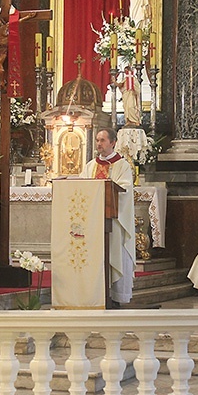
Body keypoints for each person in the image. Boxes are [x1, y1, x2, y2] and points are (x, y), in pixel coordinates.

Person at [80, 127, 135, 306]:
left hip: (114, 222)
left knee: (114, 254)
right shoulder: (91, 165)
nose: (99, 144)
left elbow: (125, 189)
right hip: (93, 222)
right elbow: (82, 185)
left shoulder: (122, 165)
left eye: (102, 140)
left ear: (113, 143)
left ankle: (114, 296)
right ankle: (95, 295)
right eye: (97, 140)